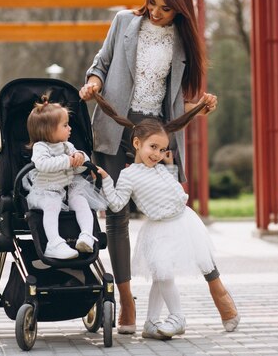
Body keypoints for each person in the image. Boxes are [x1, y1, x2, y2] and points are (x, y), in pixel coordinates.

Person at [80, 0, 239, 333]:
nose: (155, 12)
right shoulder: (123, 22)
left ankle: (217, 288)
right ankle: (126, 305)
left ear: (180, 11)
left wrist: (200, 105)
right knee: (117, 217)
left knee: (173, 212)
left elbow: (177, 95)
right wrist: (93, 84)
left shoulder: (184, 41)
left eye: (165, 8)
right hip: (115, 126)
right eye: (152, 3)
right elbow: (100, 63)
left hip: (157, 135)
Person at [93, 93, 226, 339]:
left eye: (162, 149)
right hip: (158, 228)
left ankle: (151, 322)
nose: (157, 154)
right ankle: (178, 316)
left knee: (161, 274)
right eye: (152, 147)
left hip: (182, 222)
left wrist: (168, 166)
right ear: (136, 144)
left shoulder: (161, 169)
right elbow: (116, 203)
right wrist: (106, 179)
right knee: (163, 273)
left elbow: (175, 191)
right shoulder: (129, 174)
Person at [25, 94, 104, 259]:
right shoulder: (41, 147)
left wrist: (80, 157)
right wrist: (68, 161)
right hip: (46, 190)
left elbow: (79, 168)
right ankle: (53, 242)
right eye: (65, 125)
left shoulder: (67, 146)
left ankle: (86, 235)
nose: (70, 128)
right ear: (48, 130)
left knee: (81, 202)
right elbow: (42, 164)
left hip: (68, 187)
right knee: (52, 205)